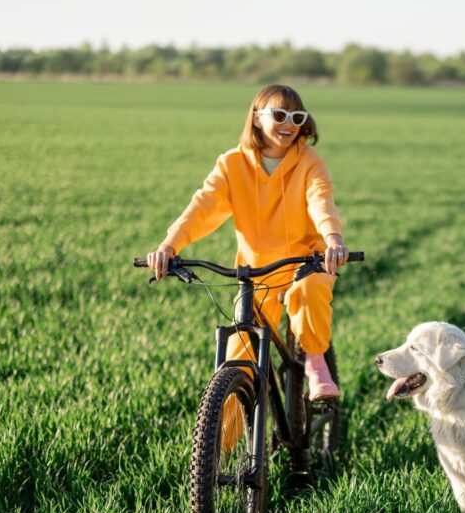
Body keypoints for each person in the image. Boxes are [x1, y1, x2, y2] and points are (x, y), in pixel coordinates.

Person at [147, 84, 348, 407]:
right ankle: (220, 453)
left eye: (297, 117)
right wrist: (170, 245)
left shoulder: (310, 162)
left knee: (308, 293)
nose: (289, 124)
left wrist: (333, 240)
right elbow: (202, 208)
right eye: (279, 115)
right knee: (237, 359)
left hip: (307, 262)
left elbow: (320, 202)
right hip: (256, 271)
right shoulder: (231, 164)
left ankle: (314, 360)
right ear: (256, 118)